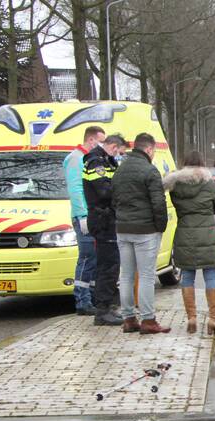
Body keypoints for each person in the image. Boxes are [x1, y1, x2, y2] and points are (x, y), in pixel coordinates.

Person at [112, 133, 170, 334]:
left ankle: (128, 318)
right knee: (146, 275)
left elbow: (113, 199)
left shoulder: (119, 170)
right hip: (145, 230)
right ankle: (148, 320)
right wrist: (160, 226)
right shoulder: (149, 170)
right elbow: (158, 203)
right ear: (149, 149)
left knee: (126, 275)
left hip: (123, 228)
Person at [164, 151, 215, 337]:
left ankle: (191, 317)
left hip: (185, 234)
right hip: (207, 233)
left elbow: (176, 205)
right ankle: (213, 320)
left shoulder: (175, 185)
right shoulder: (208, 183)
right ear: (201, 164)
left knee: (187, 276)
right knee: (211, 277)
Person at [82, 133, 126, 326]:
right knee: (107, 266)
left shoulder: (106, 160)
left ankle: (107, 307)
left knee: (111, 264)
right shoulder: (96, 162)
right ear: (114, 146)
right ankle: (102, 311)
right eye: (118, 151)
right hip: (103, 219)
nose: (118, 155)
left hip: (107, 218)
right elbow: (104, 190)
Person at [64, 125, 105, 315]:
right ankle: (82, 299)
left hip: (93, 216)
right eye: (100, 141)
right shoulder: (75, 159)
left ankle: (92, 297)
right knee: (87, 256)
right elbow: (76, 190)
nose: (102, 145)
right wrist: (83, 216)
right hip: (85, 217)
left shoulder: (89, 159)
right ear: (91, 140)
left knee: (95, 258)